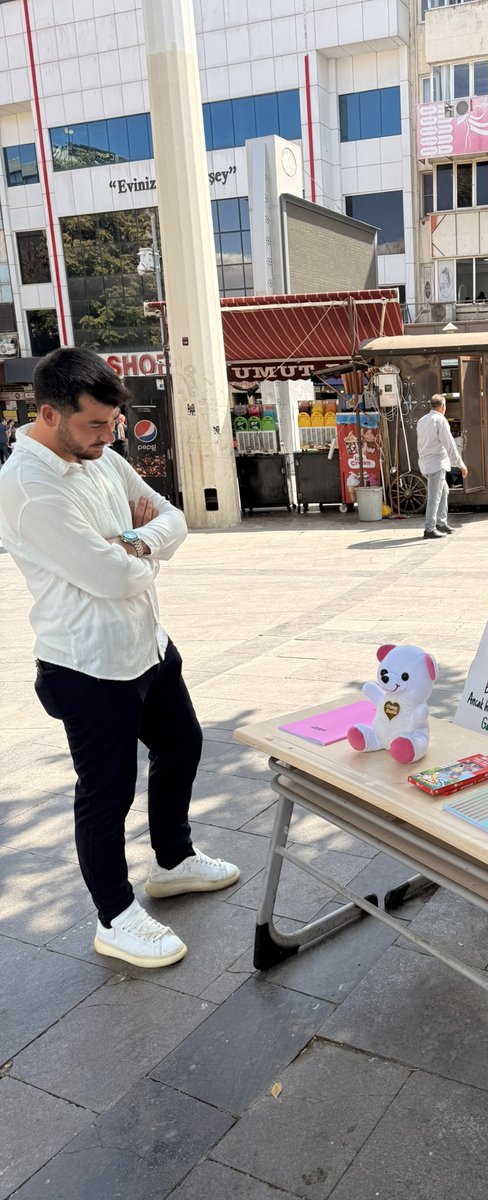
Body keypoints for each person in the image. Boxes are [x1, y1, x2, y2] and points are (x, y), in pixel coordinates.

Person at [0, 348, 239, 969]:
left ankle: (174, 860)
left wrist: (136, 541)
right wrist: (136, 554)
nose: (110, 439)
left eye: (113, 425)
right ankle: (115, 914)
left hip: (148, 644)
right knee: (107, 791)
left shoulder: (101, 457)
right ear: (48, 414)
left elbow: (174, 518)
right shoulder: (27, 486)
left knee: (182, 744)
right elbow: (109, 579)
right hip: (86, 664)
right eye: (95, 426)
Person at [416, 393, 467, 539]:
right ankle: (429, 528)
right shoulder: (440, 420)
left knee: (444, 491)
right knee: (435, 496)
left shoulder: (422, 420)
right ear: (443, 406)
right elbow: (449, 444)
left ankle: (441, 522)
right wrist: (460, 464)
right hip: (437, 463)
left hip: (427, 462)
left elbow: (419, 444)